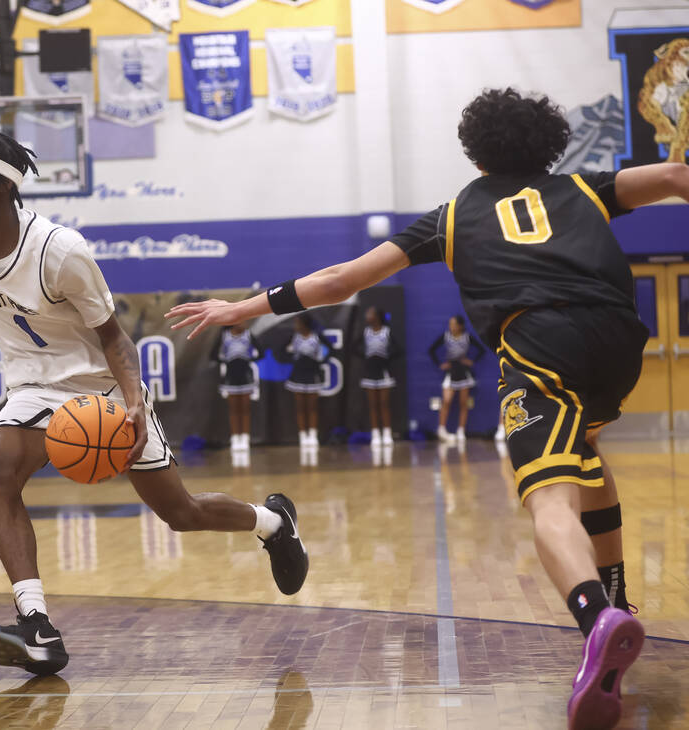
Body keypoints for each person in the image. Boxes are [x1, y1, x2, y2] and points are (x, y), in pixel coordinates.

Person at [166, 88, 684, 730]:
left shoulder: (453, 216)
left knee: (551, 501)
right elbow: (674, 176)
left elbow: (341, 281)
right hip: (620, 341)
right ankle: (617, 597)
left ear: (476, 152)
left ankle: (595, 618)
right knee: (587, 448)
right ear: (549, 145)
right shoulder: (586, 187)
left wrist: (243, 307)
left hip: (541, 344)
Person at [0, 132, 308, 676]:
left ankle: (271, 523)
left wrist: (133, 402)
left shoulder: (60, 251)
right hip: (33, 385)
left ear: (2, 185)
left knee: (180, 513)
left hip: (102, 388)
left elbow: (114, 336)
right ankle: (36, 626)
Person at [428, 314, 484, 443]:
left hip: (463, 371)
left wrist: (472, 361)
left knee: (463, 403)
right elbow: (431, 350)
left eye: (454, 324)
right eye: (450, 324)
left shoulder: (467, 337)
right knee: (446, 401)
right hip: (451, 370)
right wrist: (440, 364)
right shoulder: (446, 336)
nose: (451, 327)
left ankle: (461, 430)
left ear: (460, 326)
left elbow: (481, 350)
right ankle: (441, 429)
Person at [213, 322, 260, 452]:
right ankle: (235, 438)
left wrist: (248, 360)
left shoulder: (248, 335)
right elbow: (213, 355)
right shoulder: (224, 336)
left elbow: (261, 353)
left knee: (245, 409)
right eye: (242, 320)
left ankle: (245, 438)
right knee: (233, 410)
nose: (245, 323)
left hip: (245, 376)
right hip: (231, 377)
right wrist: (227, 361)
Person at [357, 306, 398, 447]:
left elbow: (398, 349)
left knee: (384, 404)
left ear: (378, 316)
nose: (367, 316)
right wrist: (366, 358)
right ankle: (375, 434)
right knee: (373, 405)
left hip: (383, 371)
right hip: (370, 371)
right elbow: (354, 347)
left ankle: (387, 433)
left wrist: (386, 359)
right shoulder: (366, 332)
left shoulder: (387, 332)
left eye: (370, 313)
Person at [284, 315, 327, 448]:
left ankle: (313, 435)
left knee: (312, 407)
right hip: (298, 374)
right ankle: (303, 435)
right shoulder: (294, 337)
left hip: (312, 374)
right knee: (300, 407)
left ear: (304, 324)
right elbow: (281, 350)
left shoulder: (316, 337)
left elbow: (331, 350)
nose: (295, 326)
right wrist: (292, 359)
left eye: (297, 323)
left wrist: (320, 361)